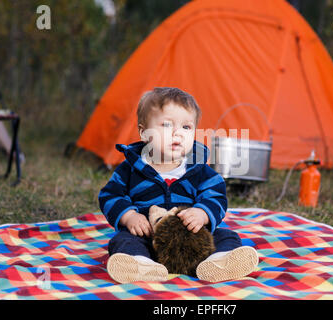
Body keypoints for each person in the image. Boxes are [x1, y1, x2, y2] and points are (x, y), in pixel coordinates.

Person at [99, 87, 258, 283]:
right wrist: (129, 216)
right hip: (149, 237)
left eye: (186, 127)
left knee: (226, 235)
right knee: (122, 240)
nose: (177, 134)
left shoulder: (199, 170)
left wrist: (202, 213)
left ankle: (219, 262)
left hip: (192, 238)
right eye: (166, 125)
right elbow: (110, 195)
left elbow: (216, 196)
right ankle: (140, 264)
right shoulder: (130, 169)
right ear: (144, 132)